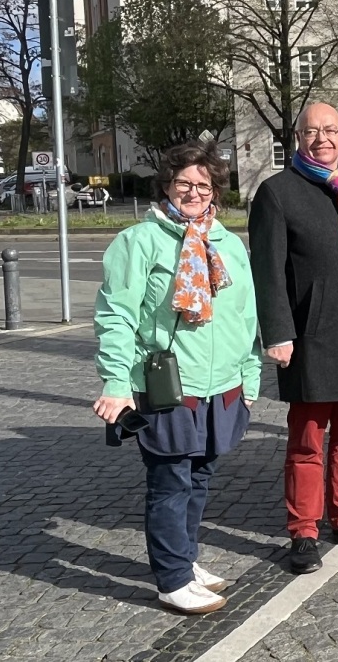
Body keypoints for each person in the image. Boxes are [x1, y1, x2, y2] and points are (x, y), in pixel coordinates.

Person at [92, 141, 260, 615]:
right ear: (167, 184)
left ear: (215, 193)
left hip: (222, 385)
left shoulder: (227, 244)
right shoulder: (139, 242)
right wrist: (117, 382)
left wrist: (250, 379)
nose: (193, 191)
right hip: (169, 385)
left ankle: (184, 559)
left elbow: (246, 316)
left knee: (200, 476)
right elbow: (116, 316)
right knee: (171, 482)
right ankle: (171, 578)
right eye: (184, 182)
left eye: (203, 185)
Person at [250, 102, 338, 575]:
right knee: (308, 442)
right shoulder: (278, 193)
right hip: (311, 337)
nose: (322, 140)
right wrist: (278, 332)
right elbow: (267, 272)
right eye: (312, 132)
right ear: (298, 137)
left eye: (330, 130)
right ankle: (304, 530)